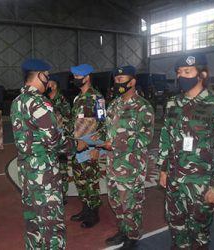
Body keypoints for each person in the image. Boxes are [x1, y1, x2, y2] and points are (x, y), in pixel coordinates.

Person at [10, 58, 86, 249]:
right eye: (47, 76)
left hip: (27, 171)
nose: (48, 80)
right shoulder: (40, 103)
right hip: (44, 173)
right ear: (40, 76)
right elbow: (53, 141)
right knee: (52, 223)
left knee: (33, 220)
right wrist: (76, 145)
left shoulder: (17, 102)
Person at [158, 52, 214, 249]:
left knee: (199, 230)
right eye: (179, 72)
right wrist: (163, 168)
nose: (181, 76)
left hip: (201, 182)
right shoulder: (173, 103)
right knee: (175, 224)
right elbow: (166, 139)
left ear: (202, 75)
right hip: (174, 179)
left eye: (187, 71)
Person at [95, 65, 154, 249]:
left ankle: (133, 235)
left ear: (133, 81)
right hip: (112, 163)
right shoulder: (114, 104)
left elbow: (146, 137)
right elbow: (107, 129)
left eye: (121, 80)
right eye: (116, 80)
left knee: (130, 203)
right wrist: (99, 139)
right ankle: (123, 229)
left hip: (131, 166)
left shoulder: (143, 106)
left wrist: (117, 144)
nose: (118, 83)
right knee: (115, 201)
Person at [69, 64, 105, 228]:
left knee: (91, 181)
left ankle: (94, 213)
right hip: (77, 147)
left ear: (87, 77)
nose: (75, 80)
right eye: (74, 77)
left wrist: (98, 149)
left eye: (78, 77)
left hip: (90, 148)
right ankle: (85, 208)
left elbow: (103, 125)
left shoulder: (97, 98)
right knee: (80, 180)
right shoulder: (77, 99)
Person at [45, 74, 72, 204]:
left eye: (48, 83)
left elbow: (68, 119)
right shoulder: (44, 99)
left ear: (54, 85)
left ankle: (62, 193)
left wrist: (62, 133)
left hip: (59, 138)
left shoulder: (61, 100)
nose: (46, 85)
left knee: (61, 167)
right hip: (47, 139)